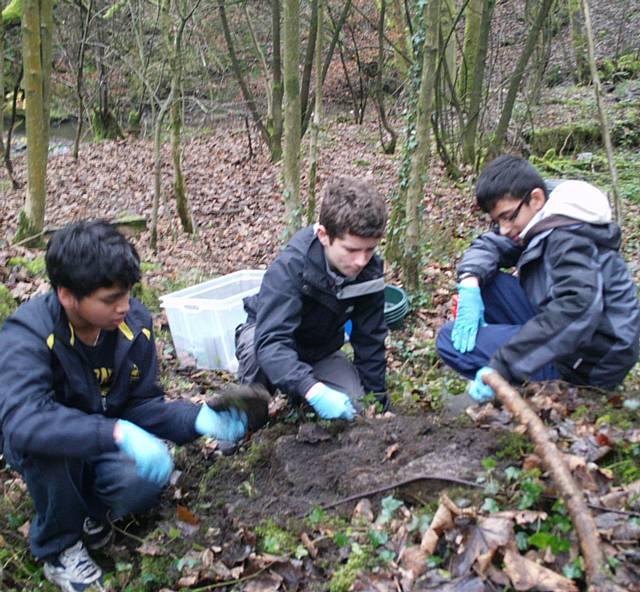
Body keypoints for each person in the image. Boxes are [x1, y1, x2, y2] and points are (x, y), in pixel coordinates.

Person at [0, 221, 250, 592]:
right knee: (52, 450)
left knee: (142, 482)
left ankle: (89, 515)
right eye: (110, 299)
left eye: (128, 293)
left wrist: (195, 417)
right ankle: (58, 547)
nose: (125, 306)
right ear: (67, 294)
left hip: (103, 438)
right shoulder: (30, 335)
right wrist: (115, 431)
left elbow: (141, 403)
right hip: (48, 445)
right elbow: (24, 421)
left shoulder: (134, 325)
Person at [436, 155, 640, 402]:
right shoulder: (545, 216)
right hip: (576, 330)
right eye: (497, 220)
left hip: (588, 359)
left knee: (448, 340)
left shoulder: (568, 236)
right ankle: (520, 366)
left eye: (508, 217)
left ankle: (521, 391)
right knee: (486, 284)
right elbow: (493, 244)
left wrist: (504, 364)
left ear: (536, 198)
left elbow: (576, 309)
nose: (503, 228)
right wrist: (469, 281)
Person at [236, 176, 388, 420]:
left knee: (356, 407)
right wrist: (313, 390)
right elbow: (272, 342)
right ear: (323, 235)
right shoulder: (290, 267)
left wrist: (379, 405)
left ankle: (301, 394)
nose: (361, 261)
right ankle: (242, 423)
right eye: (351, 250)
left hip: (320, 349)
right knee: (256, 359)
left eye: (369, 249)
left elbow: (370, 339)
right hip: (266, 338)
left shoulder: (368, 272)